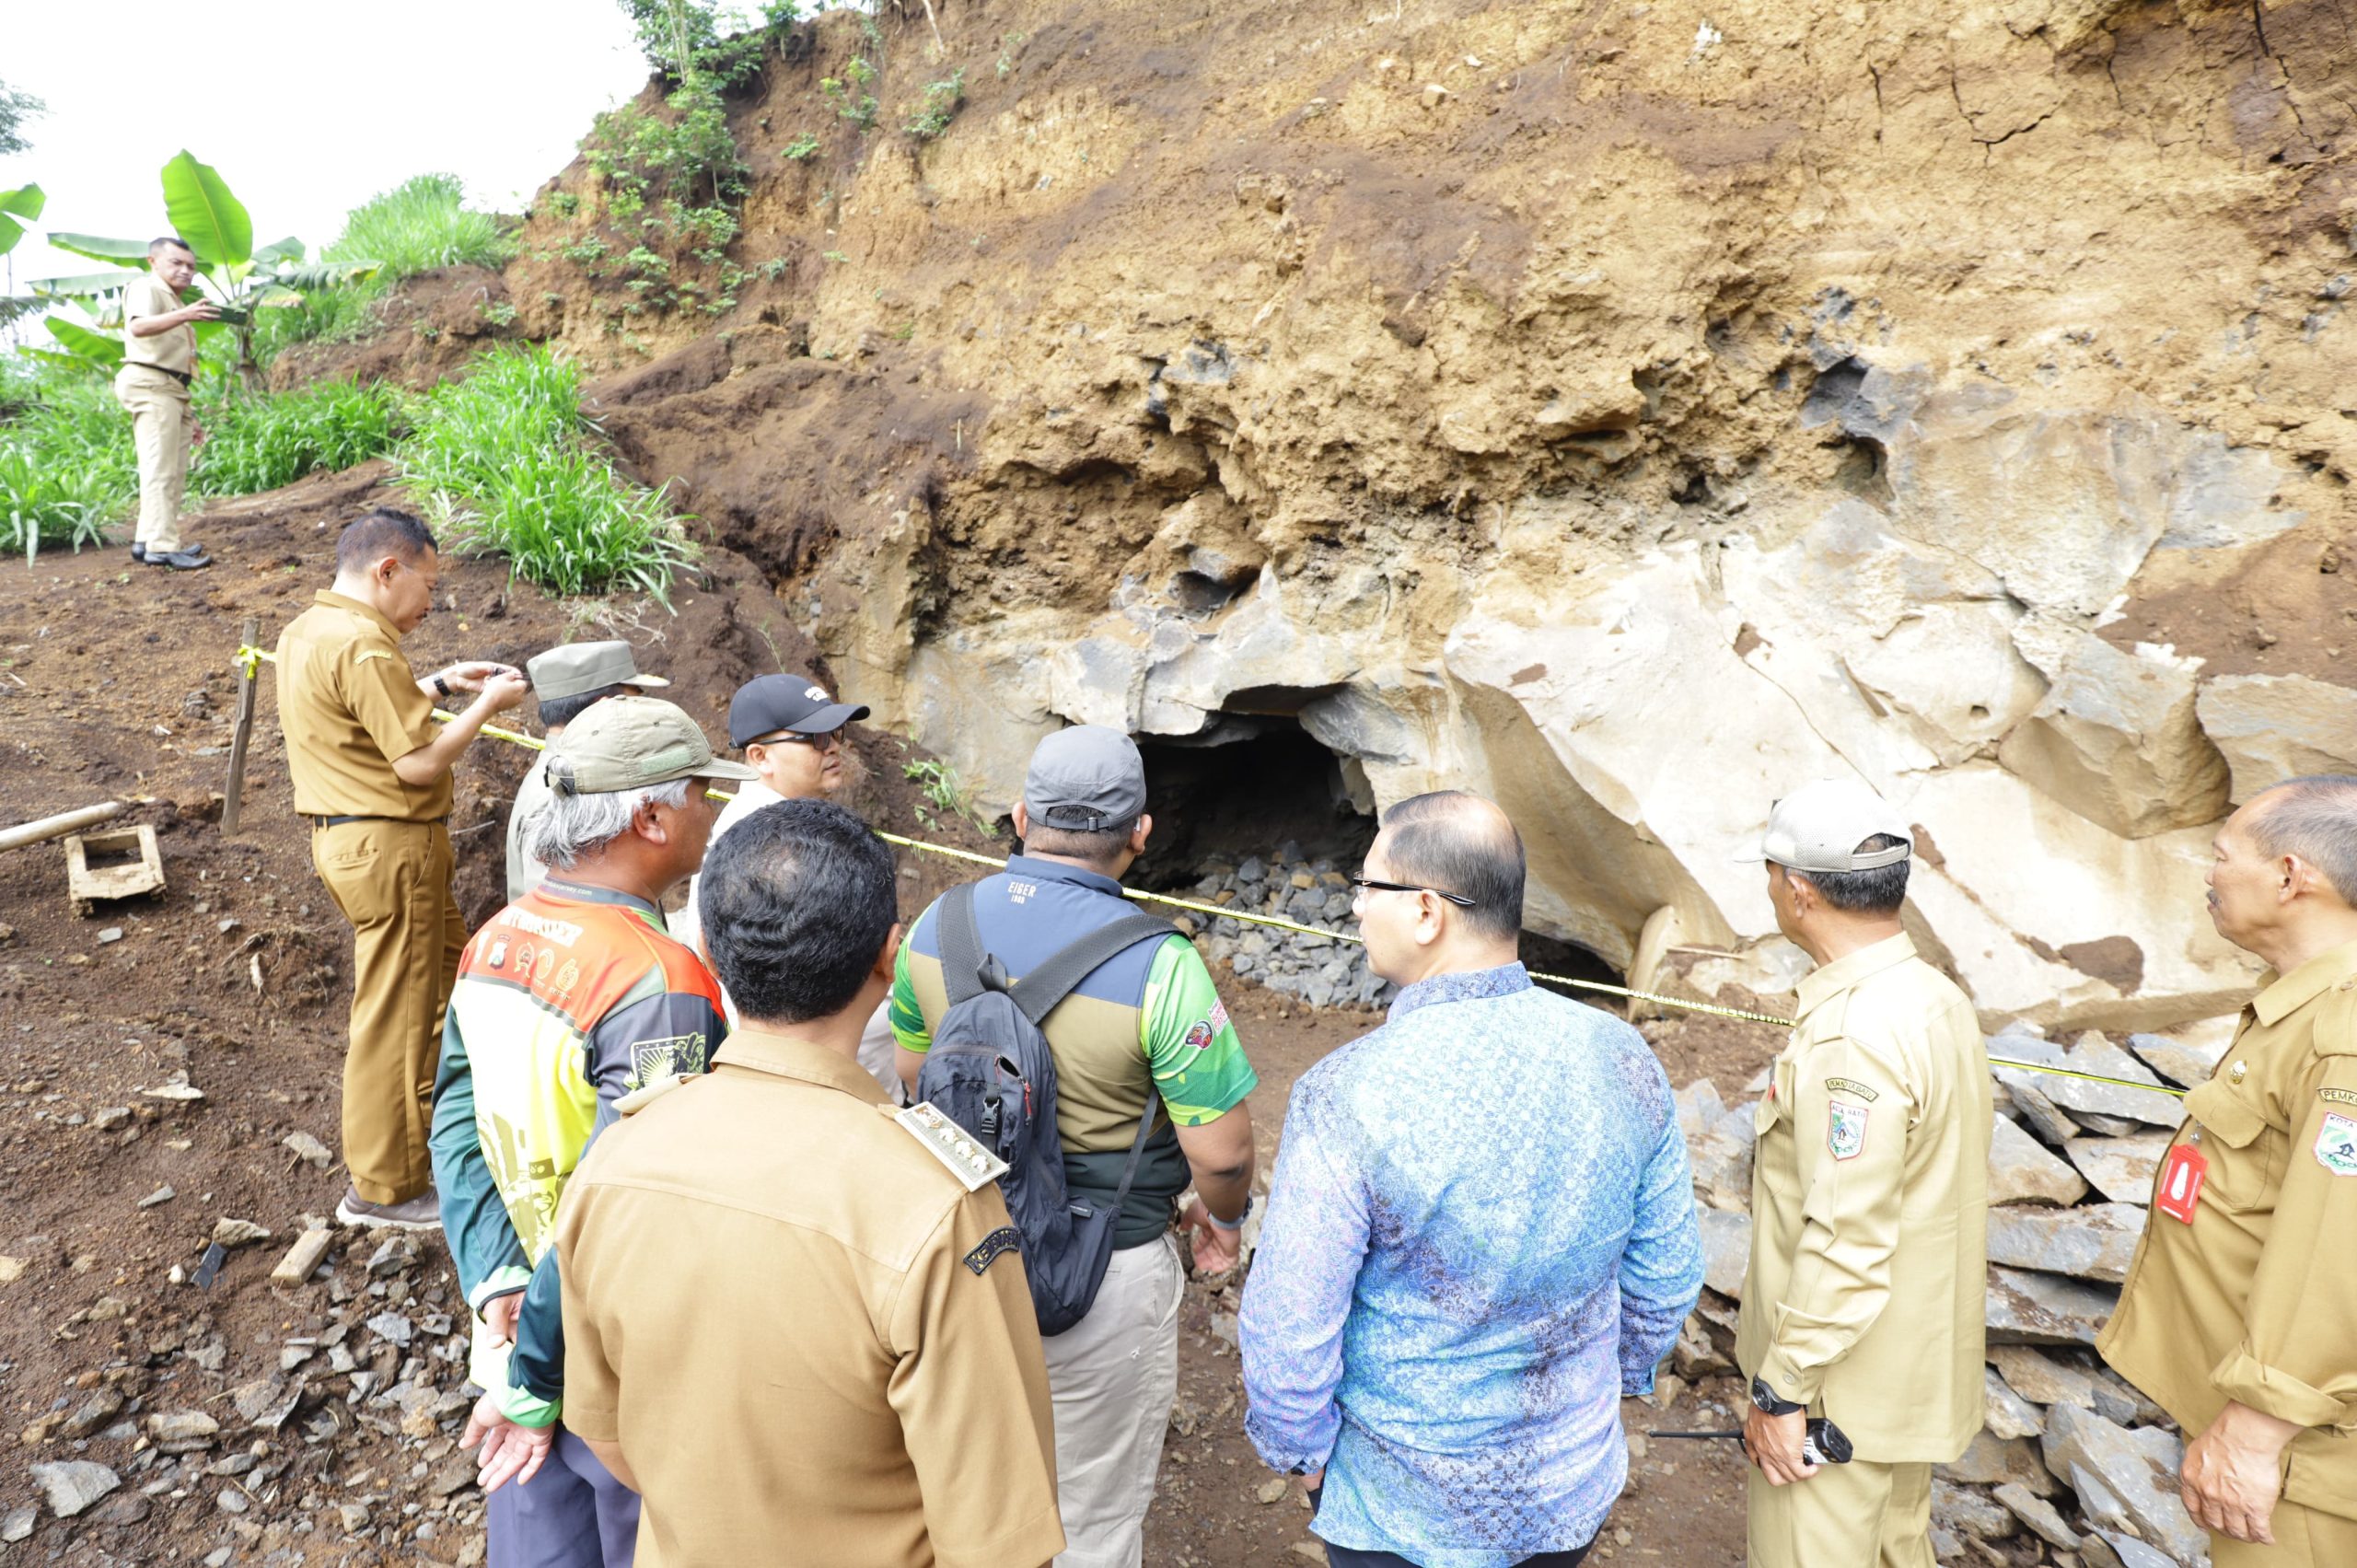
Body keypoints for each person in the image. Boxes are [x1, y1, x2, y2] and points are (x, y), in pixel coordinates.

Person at [547, 799, 1065, 1567]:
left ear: (709, 957)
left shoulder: (616, 1161)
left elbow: (604, 1428)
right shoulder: (937, 1206)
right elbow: (999, 1540)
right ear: (890, 958)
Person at [1239, 791, 1703, 1568]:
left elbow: (1291, 1323)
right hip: (1567, 1489)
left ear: (1427, 911)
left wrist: (1300, 1450)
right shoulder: (1622, 1057)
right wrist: (1610, 1386)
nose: (1355, 909)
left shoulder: (1348, 1092)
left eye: (1367, 887)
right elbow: (1666, 1275)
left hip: (1400, 1509)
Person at [890, 725, 1259, 1568]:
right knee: (1089, 1513)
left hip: (957, 1253)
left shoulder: (932, 930)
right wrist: (1224, 1220)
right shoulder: (1162, 966)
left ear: (1020, 816)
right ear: (1141, 833)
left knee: (967, 1490)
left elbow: (919, 1077)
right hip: (1104, 1260)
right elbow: (1226, 1154)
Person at [437, 695, 752, 1567]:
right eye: (700, 792)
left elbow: (456, 1119)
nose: (712, 810)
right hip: (610, 1354)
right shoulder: (659, 980)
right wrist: (536, 1378)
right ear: (651, 817)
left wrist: (494, 1275)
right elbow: (627, 1205)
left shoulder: (498, 937)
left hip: (514, 1323)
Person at [2097, 775, 2357, 1567]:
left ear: (2290, 876)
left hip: (2301, 1462)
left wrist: (2255, 1429)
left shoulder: (2342, 1036)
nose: (2208, 874)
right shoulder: (2304, 1007)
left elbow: (2334, 1254)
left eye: (2221, 854)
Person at [1730, 780, 1990, 1568]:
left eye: (1773, 873)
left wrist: (1782, 1390)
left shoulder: (1855, 1036)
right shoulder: (1934, 998)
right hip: (1901, 1391)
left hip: (1835, 1402)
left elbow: (1847, 1236)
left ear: (1798, 890)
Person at [274, 506, 528, 1229]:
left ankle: (450, 1136)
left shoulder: (310, 631)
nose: (431, 602)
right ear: (388, 570)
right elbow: (417, 763)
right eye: (429, 583)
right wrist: (487, 703)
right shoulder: (365, 645)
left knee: (451, 984)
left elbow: (364, 721)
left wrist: (443, 686)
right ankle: (386, 1189)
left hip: (352, 842)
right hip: (390, 848)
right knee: (396, 1017)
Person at [671, 671, 900, 1091]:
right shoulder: (766, 846)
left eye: (836, 731)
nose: (832, 745)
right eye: (813, 737)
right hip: (819, 1065)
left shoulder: (782, 830)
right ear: (760, 757)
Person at [505, 641, 669, 903]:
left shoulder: (576, 778)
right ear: (603, 708)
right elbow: (560, 917)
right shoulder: (557, 797)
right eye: (636, 699)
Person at [117, 237, 216, 571]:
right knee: (160, 468)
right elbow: (138, 327)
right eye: (177, 263)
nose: (186, 271)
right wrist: (187, 313)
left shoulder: (173, 300)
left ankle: (147, 540)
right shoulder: (147, 288)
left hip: (171, 389)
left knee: (171, 468)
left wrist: (190, 414)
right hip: (151, 383)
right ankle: (162, 546)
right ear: (153, 261)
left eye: (190, 266)